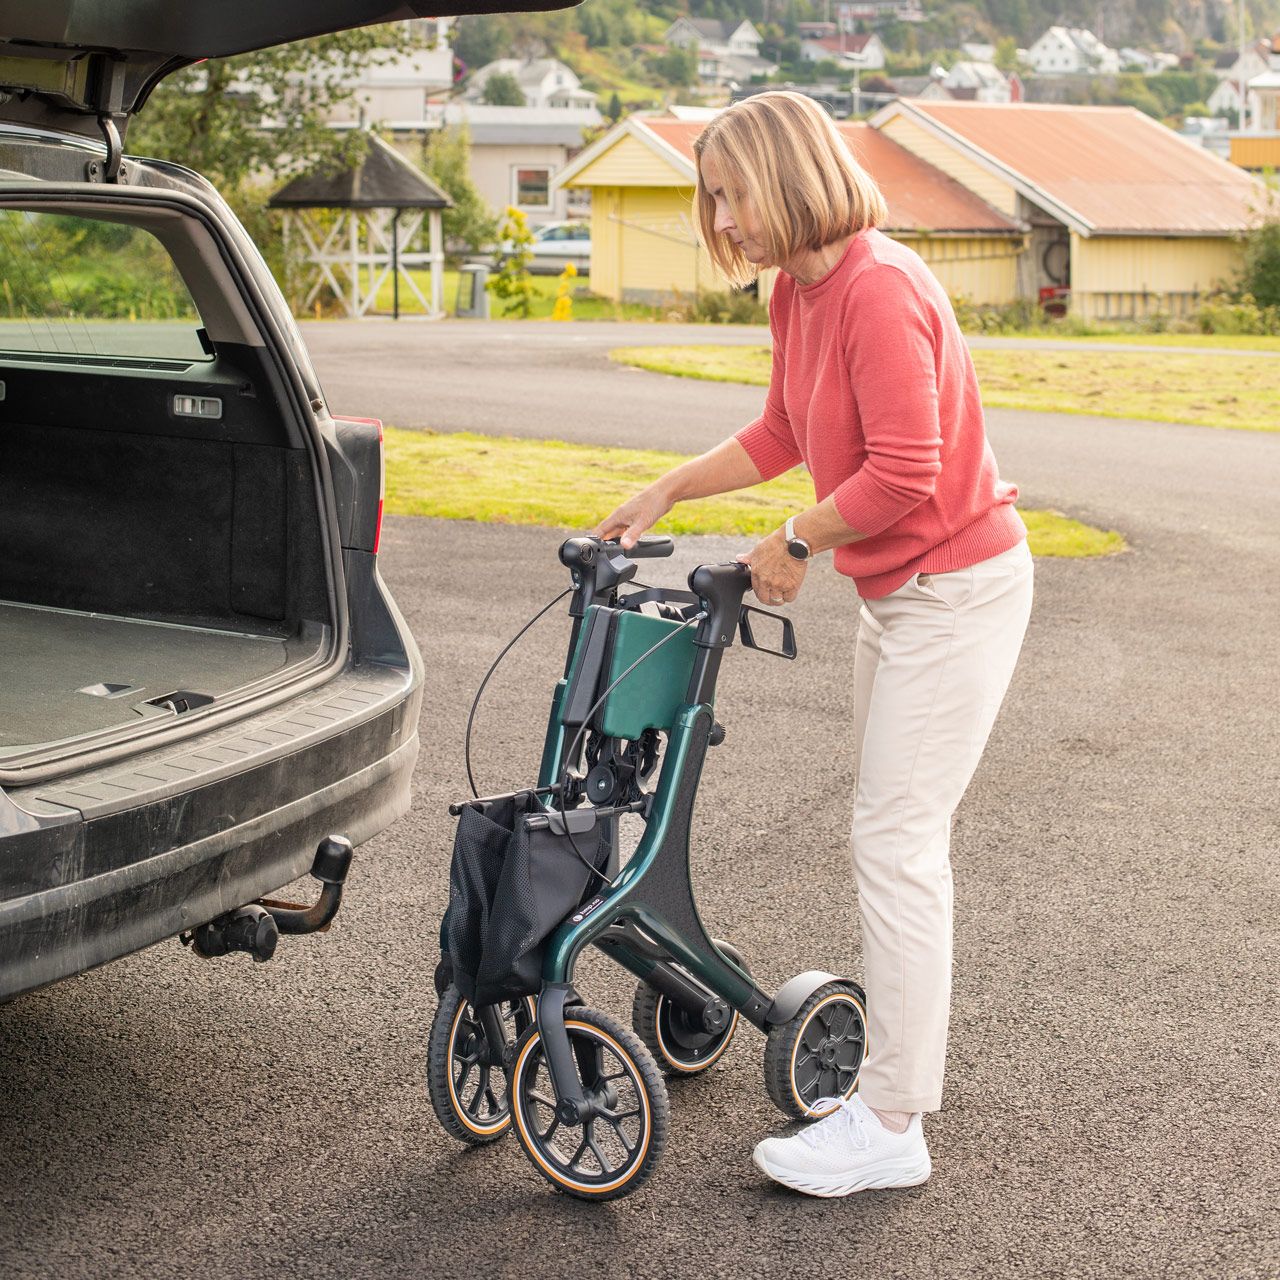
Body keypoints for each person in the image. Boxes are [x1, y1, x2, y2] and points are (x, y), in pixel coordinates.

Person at [592, 91, 1034, 1198]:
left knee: (895, 841)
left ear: (784, 180)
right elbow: (786, 428)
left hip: (957, 592)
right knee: (888, 834)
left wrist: (791, 537)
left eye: (729, 193)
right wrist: (667, 485)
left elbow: (905, 472)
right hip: (901, 596)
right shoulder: (804, 289)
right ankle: (886, 1092)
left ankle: (890, 1120)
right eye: (713, 199)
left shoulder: (878, 290)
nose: (722, 219)